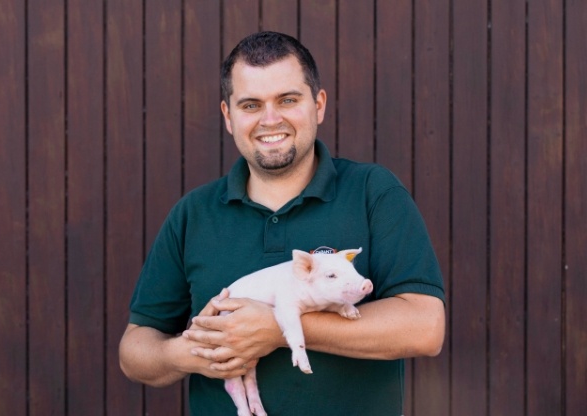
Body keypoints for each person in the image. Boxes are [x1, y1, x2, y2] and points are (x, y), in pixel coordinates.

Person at [119, 31, 445, 416]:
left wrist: (277, 329)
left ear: (318, 104)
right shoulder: (194, 213)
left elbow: (425, 327)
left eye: (287, 100)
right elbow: (135, 349)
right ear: (228, 116)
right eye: (251, 105)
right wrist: (194, 351)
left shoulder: (373, 192)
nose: (269, 120)